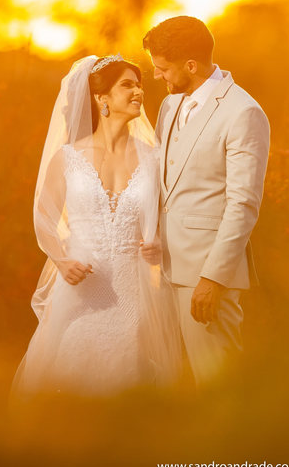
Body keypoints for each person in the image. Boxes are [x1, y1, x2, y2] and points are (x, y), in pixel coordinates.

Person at [10, 55, 182, 399]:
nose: (138, 92)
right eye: (127, 85)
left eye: (139, 84)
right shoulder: (69, 158)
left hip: (136, 289)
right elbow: (43, 217)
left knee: (132, 373)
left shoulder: (154, 158)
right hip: (81, 284)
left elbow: (170, 215)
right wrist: (60, 261)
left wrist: (158, 242)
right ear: (101, 99)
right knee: (69, 368)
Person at [144, 16, 271, 385]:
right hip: (161, 271)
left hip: (205, 276)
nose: (156, 76)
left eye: (162, 68)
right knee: (171, 383)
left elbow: (243, 204)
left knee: (217, 383)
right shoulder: (170, 106)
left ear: (191, 65)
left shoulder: (243, 113)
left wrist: (212, 279)